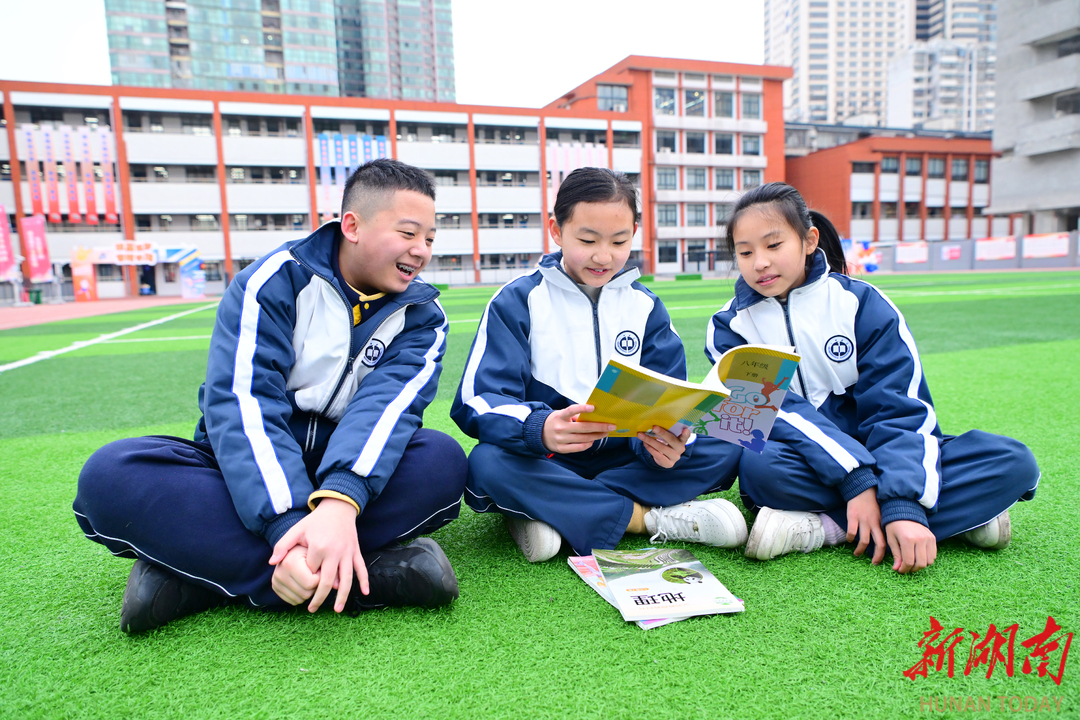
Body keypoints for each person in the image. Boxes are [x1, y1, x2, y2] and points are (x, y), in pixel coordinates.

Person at [74, 159, 467, 633]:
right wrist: (284, 522)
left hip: (341, 471)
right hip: (242, 472)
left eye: (429, 238)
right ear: (352, 225)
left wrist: (341, 501)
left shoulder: (423, 315)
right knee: (110, 476)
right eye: (408, 233)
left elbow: (387, 410)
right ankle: (371, 576)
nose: (421, 250)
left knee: (442, 460)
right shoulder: (274, 281)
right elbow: (244, 405)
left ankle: (197, 578)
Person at [706, 182, 1040, 574]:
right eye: (745, 252)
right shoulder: (730, 326)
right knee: (759, 468)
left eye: (773, 246)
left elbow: (899, 409)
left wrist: (903, 503)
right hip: (804, 464)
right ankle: (958, 519)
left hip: (887, 457)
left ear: (809, 240)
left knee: (1013, 462)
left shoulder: (863, 304)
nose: (759, 262)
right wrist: (855, 480)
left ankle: (825, 528)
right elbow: (771, 415)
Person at [451, 167, 746, 563]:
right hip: (546, 458)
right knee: (487, 462)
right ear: (556, 230)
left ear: (634, 232)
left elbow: (674, 402)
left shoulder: (646, 308)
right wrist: (539, 428)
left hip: (627, 459)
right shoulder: (517, 301)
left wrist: (671, 443)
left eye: (619, 240)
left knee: (723, 447)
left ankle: (551, 510)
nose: (603, 256)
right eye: (587, 239)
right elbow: (476, 401)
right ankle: (646, 520)